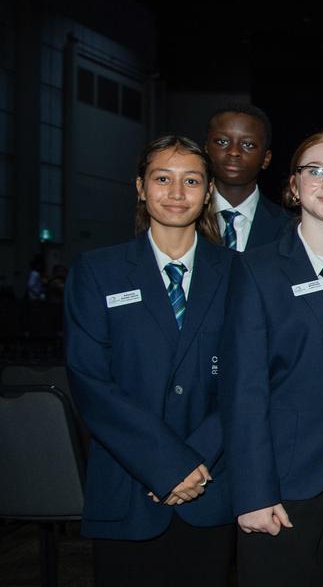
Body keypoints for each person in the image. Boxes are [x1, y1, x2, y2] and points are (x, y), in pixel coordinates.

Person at [65, 135, 234, 586]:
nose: (177, 194)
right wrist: (167, 465)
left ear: (208, 192)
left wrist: (194, 462)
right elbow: (90, 381)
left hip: (210, 485)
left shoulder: (240, 274)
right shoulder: (97, 272)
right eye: (163, 179)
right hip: (127, 485)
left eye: (191, 181)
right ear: (140, 187)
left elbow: (248, 379)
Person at [222, 130, 323, 587]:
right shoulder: (254, 269)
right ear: (294, 185)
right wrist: (253, 493)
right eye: (314, 170)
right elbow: (243, 390)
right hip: (282, 486)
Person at [204, 104, 289, 250]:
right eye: (222, 142)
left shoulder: (290, 227)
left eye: (248, 144)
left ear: (266, 159)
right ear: (206, 149)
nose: (234, 152)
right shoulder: (183, 217)